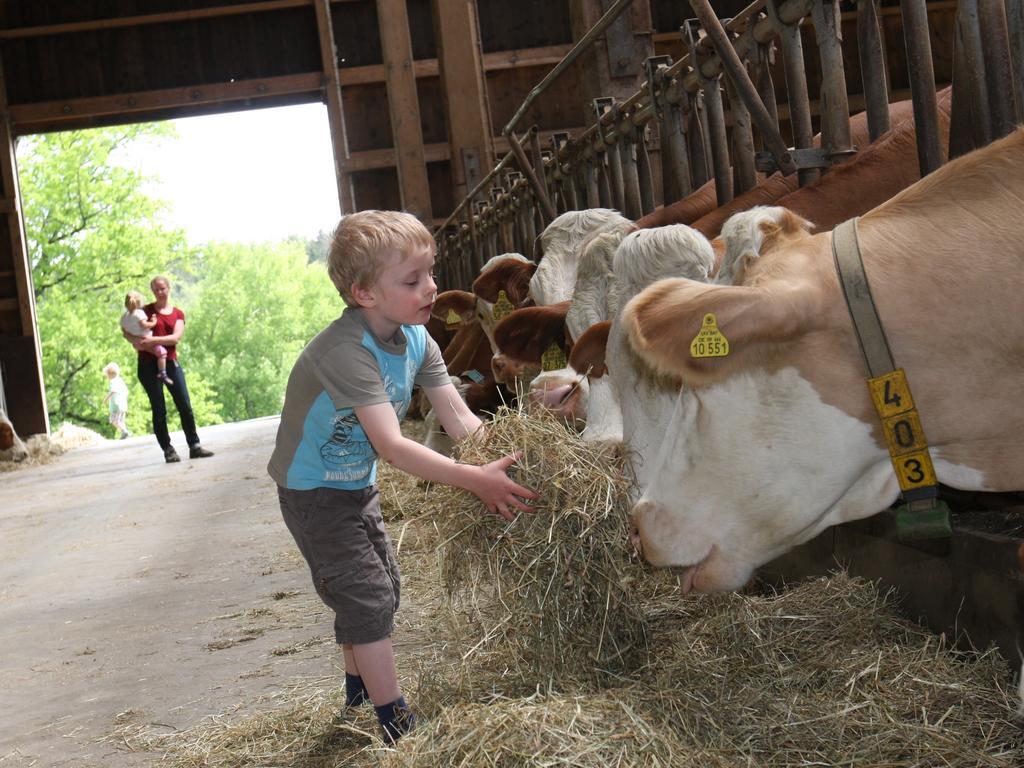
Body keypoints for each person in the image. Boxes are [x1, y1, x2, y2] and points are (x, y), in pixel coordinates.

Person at [267, 210, 538, 743]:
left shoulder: (418, 340)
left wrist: (507, 458)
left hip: (353, 484)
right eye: (412, 281)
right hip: (313, 491)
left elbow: (459, 418)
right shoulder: (347, 352)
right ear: (364, 293)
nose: (431, 288)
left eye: (430, 273)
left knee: (383, 587)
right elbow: (392, 447)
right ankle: (395, 721)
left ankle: (358, 690)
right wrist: (473, 479)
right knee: (366, 597)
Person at [125, 275, 214, 463]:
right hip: (148, 366)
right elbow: (127, 330)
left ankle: (194, 445)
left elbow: (175, 338)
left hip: (171, 363)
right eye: (156, 289)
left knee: (185, 405)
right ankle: (168, 449)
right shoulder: (144, 311)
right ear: (152, 292)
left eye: (162, 288)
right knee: (159, 409)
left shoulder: (177, 314)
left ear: (168, 288)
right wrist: (137, 342)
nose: (160, 292)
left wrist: (152, 341)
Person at [121, 290, 173, 385]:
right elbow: (145, 325)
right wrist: (153, 322)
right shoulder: (139, 313)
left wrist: (133, 337)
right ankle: (162, 373)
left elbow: (124, 332)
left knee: (153, 352)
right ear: (138, 302)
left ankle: (155, 367)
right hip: (146, 340)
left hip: (136, 344)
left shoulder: (124, 317)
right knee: (162, 353)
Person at [101, 362, 131, 439]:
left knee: (114, 420)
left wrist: (106, 399)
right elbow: (126, 391)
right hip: (123, 405)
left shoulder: (112, 381)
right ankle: (124, 433)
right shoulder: (120, 380)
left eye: (107, 375)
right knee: (121, 421)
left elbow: (113, 391)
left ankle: (124, 431)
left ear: (110, 374)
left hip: (116, 406)